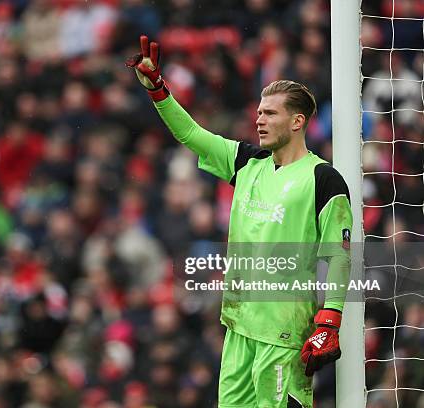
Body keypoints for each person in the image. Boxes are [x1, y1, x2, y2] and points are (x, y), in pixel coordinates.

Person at [126, 36, 353, 408]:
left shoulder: (323, 179)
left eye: (270, 114)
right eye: (260, 112)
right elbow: (192, 135)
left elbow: (340, 255)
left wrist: (330, 319)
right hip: (237, 327)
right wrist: (158, 90)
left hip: (283, 335)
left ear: (297, 121)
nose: (259, 120)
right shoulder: (247, 163)